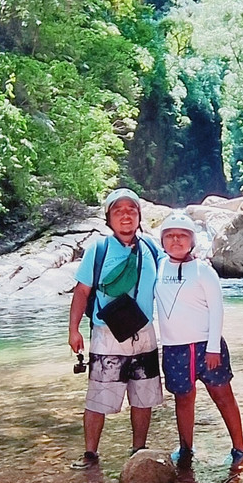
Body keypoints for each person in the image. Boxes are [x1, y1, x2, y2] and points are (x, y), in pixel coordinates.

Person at [67, 188, 163, 468]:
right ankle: (90, 454)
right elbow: (82, 292)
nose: (125, 215)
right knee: (99, 396)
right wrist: (74, 330)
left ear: (139, 216)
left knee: (143, 395)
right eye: (118, 210)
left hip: (144, 332)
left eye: (131, 210)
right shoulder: (98, 250)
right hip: (107, 334)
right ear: (108, 218)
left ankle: (139, 450)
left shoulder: (151, 249)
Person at [154, 210, 243, 467]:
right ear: (162, 241)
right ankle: (186, 449)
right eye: (170, 236)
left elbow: (217, 308)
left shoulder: (203, 271)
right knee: (183, 398)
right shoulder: (159, 267)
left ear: (192, 241)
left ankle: (239, 448)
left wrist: (214, 347)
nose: (176, 241)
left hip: (207, 346)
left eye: (182, 236)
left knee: (222, 395)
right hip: (174, 348)